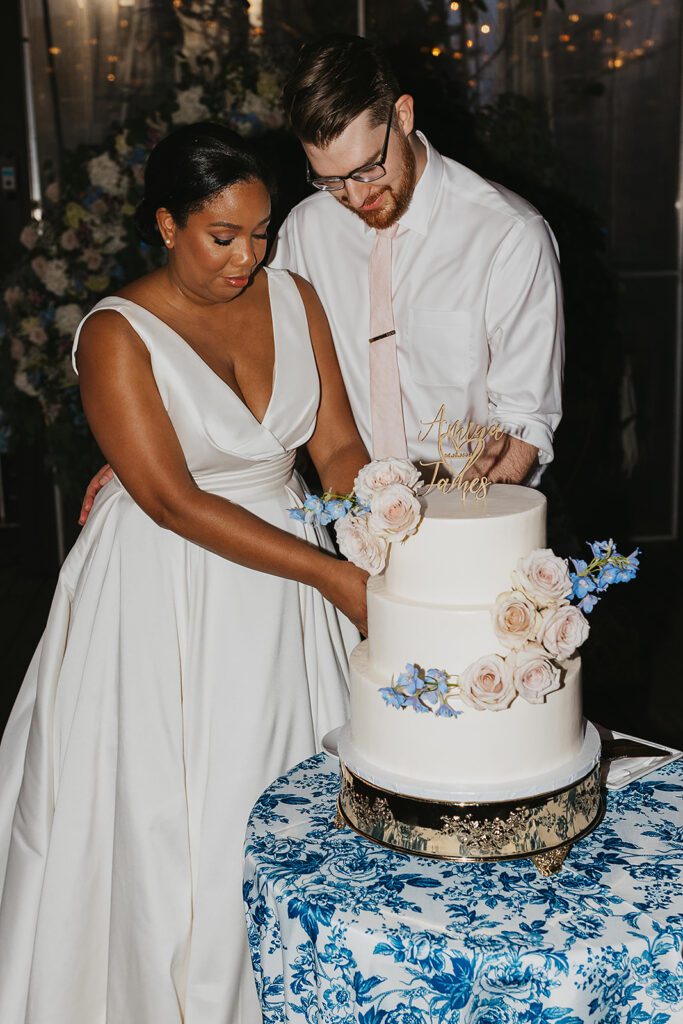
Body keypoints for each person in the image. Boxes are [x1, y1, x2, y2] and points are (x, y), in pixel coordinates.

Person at [0, 123, 369, 1024]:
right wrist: (328, 577)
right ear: (166, 224)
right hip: (169, 585)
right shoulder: (116, 334)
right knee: (174, 817)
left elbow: (338, 447)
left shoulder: (295, 297)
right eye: (223, 236)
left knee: (298, 793)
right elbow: (169, 500)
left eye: (261, 231)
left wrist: (384, 533)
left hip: (292, 584)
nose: (248, 257)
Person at [80, 34, 564, 517]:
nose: (355, 198)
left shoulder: (509, 235)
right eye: (330, 180)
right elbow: (231, 329)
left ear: (403, 116)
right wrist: (145, 444)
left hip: (471, 520)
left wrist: (449, 517)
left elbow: (525, 425)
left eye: (367, 170)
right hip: (346, 519)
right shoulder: (306, 228)